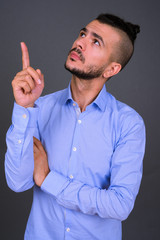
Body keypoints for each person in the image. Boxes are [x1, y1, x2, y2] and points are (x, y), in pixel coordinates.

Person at [5, 13, 146, 240]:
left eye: (95, 42)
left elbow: (120, 205)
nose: (80, 43)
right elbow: (17, 182)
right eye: (83, 34)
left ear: (111, 69)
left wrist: (48, 178)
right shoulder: (39, 107)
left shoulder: (128, 124)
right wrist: (24, 108)